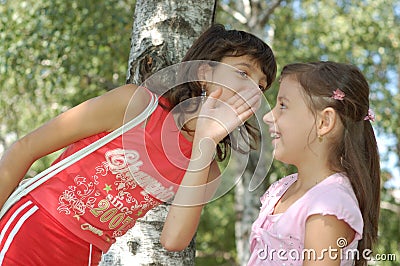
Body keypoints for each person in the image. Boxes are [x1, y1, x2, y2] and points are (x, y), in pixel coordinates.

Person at [0, 24, 276, 265]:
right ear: (205, 73)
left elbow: (173, 240)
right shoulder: (136, 106)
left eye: (261, 87)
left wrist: (205, 144)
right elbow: (25, 148)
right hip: (31, 227)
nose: (252, 90)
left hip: (86, 255)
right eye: (243, 74)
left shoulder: (208, 169)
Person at [248, 61, 380, 266]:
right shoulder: (282, 189)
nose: (268, 116)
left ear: (324, 122)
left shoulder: (329, 205)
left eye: (283, 105)